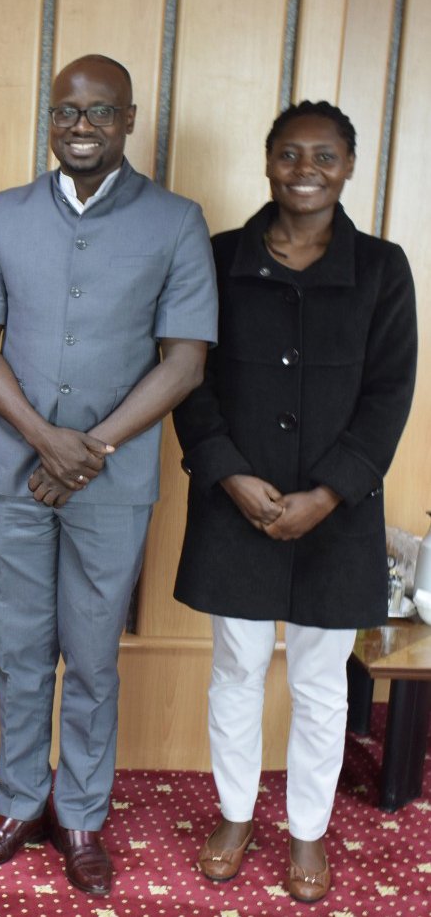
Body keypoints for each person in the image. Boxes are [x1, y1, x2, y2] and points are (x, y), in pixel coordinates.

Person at [0, 55, 218, 896]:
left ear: (128, 121)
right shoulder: (3, 215)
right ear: (50, 118)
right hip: (12, 473)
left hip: (113, 481)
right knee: (19, 651)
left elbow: (184, 364)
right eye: (67, 112)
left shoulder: (176, 221)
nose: (81, 127)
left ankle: (79, 817)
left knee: (94, 656)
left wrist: (89, 449)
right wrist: (44, 441)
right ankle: (19, 802)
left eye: (100, 113)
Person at [173, 101, 417, 903]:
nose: (304, 170)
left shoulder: (383, 268)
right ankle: (236, 814)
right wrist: (226, 474)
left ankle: (306, 830)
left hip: (334, 513)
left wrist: (330, 492)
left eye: (323, 156)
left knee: (319, 681)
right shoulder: (216, 259)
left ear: (348, 166)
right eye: (288, 154)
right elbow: (188, 377)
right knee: (236, 667)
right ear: (267, 160)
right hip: (233, 500)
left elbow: (387, 397)